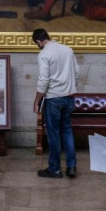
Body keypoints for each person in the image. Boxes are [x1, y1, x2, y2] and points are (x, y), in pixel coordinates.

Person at [31, 28, 80, 179]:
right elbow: (77, 72)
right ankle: (71, 167)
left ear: (39, 41)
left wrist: (37, 100)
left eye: (37, 44)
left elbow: (44, 80)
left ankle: (55, 169)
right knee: (67, 130)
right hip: (69, 97)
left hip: (53, 99)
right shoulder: (67, 50)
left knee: (53, 134)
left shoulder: (44, 53)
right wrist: (69, 88)